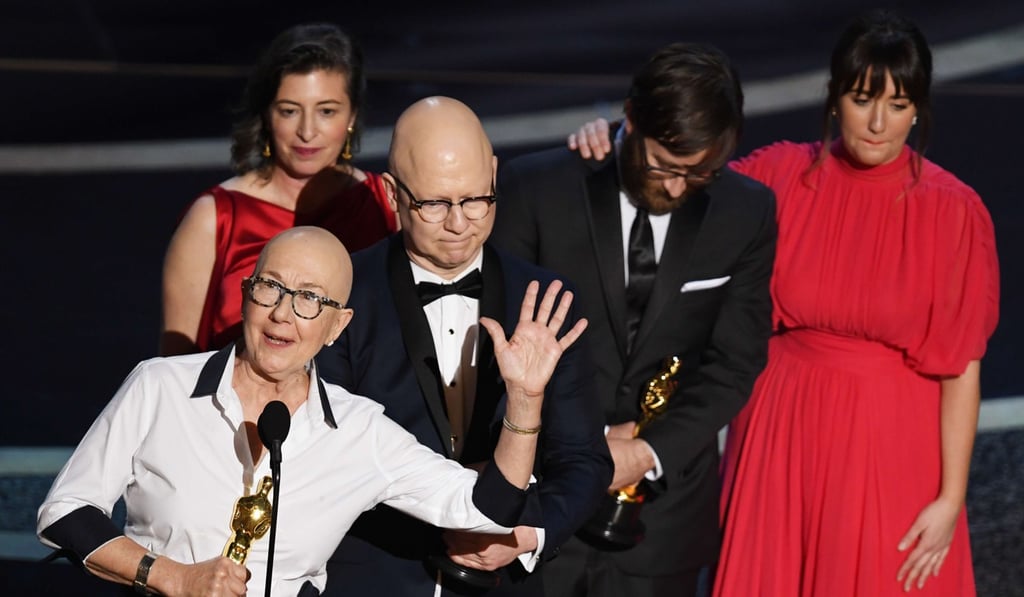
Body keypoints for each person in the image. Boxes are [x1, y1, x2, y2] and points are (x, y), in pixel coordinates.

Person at [570, 10, 1000, 596]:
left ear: (918, 109)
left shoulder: (954, 211)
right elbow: (676, 184)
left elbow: (961, 367)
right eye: (861, 97)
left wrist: (951, 501)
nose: (877, 122)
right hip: (777, 433)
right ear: (833, 99)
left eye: (898, 104)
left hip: (890, 445)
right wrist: (621, 141)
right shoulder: (776, 176)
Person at [38, 226, 588, 597]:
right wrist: (173, 578)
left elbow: (489, 512)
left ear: (337, 326)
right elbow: (65, 511)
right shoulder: (160, 385)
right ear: (247, 293)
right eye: (270, 288)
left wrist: (525, 400)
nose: (283, 315)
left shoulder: (360, 431)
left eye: (310, 300)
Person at [491, 43, 777, 597]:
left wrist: (645, 453)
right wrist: (586, 448)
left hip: (663, 526)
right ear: (630, 118)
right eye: (663, 165)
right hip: (540, 504)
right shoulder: (540, 190)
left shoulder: (746, 212)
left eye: (699, 174)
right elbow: (496, 345)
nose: (675, 188)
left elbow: (735, 363)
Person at [316, 96, 614, 596]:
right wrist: (452, 516)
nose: (459, 223)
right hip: (376, 576)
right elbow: (328, 456)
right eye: (434, 204)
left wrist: (523, 533)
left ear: (495, 176)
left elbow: (584, 460)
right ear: (392, 193)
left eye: (477, 199)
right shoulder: (340, 291)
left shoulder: (545, 299)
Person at [160, 22, 398, 356]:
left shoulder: (385, 207)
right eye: (289, 111)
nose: (307, 131)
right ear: (267, 115)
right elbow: (175, 367)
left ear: (352, 117)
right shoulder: (214, 219)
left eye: (326, 111)